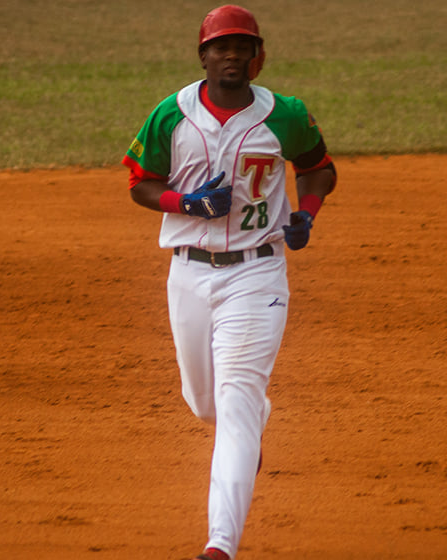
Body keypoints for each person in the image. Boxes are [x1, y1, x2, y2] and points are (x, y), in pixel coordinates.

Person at [122, 5, 336, 559]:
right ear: (204, 56)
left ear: (259, 57)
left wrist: (306, 210)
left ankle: (220, 545)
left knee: (237, 403)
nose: (233, 56)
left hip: (258, 273)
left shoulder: (285, 114)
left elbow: (318, 166)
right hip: (188, 274)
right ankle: (249, 417)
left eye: (244, 47)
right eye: (222, 47)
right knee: (204, 404)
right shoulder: (171, 115)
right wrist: (185, 202)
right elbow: (140, 184)